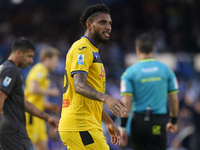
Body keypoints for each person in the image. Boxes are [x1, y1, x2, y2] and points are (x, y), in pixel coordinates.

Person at [58, 3, 126, 150]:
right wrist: (106, 98)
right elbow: (79, 85)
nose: (108, 27)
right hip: (80, 125)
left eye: (109, 23)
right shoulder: (83, 48)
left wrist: (108, 122)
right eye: (102, 22)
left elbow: (89, 96)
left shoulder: (93, 50)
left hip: (86, 124)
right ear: (89, 25)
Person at [119, 33, 179, 150]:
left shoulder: (129, 72)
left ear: (137, 50)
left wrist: (122, 127)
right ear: (153, 49)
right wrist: (173, 120)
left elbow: (126, 102)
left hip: (138, 122)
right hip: (158, 121)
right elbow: (175, 99)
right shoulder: (167, 70)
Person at [0, 37, 59, 150]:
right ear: (18, 53)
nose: (31, 61)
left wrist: (47, 117)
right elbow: (1, 97)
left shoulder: (6, 69)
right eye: (29, 56)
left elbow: (24, 102)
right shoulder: (10, 70)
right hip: (12, 128)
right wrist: (51, 92)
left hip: (11, 127)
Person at [24, 47, 60, 150]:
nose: (56, 64)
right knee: (30, 145)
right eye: (55, 60)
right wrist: (52, 92)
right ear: (47, 59)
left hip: (39, 114)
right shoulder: (40, 69)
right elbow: (32, 89)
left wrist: (51, 106)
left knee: (42, 146)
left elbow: (38, 98)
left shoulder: (44, 72)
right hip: (31, 114)